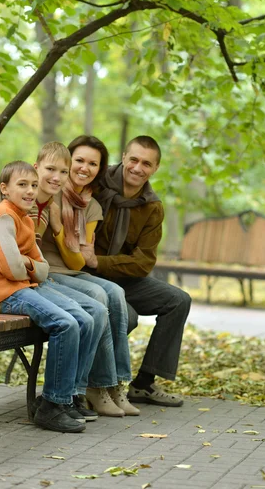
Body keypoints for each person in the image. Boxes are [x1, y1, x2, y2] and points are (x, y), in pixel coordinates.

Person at [0, 142, 136, 417]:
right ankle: (69, 395)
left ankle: (94, 389)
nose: (54, 178)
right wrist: (15, 254)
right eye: (49, 170)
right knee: (85, 312)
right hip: (9, 284)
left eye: (62, 172)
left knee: (103, 302)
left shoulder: (44, 207)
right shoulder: (12, 206)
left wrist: (49, 235)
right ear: (36, 169)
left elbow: (48, 259)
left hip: (28, 279)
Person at [82, 135, 191, 407]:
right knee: (126, 317)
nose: (137, 168)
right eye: (134, 159)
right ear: (123, 157)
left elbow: (143, 263)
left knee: (178, 300)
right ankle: (91, 383)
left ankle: (143, 384)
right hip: (85, 276)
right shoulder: (97, 182)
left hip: (123, 279)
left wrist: (100, 261)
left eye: (146, 163)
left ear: (155, 168)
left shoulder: (152, 206)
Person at [41, 136, 139, 416]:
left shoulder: (91, 207)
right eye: (79, 160)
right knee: (98, 295)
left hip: (71, 272)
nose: (85, 168)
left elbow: (78, 259)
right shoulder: (50, 190)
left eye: (93, 163)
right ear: (67, 162)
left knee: (115, 292)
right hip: (48, 273)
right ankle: (98, 386)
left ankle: (115, 384)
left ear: (100, 169)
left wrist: (59, 229)